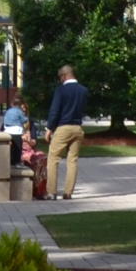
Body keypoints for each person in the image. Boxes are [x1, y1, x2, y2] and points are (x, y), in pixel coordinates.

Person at [45, 65, 90, 200]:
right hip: (77, 127)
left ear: (64, 76)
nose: (60, 80)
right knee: (72, 161)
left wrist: (49, 128)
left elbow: (55, 111)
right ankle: (68, 192)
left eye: (60, 78)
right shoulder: (83, 90)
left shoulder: (61, 90)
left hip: (63, 127)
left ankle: (51, 192)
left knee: (53, 159)